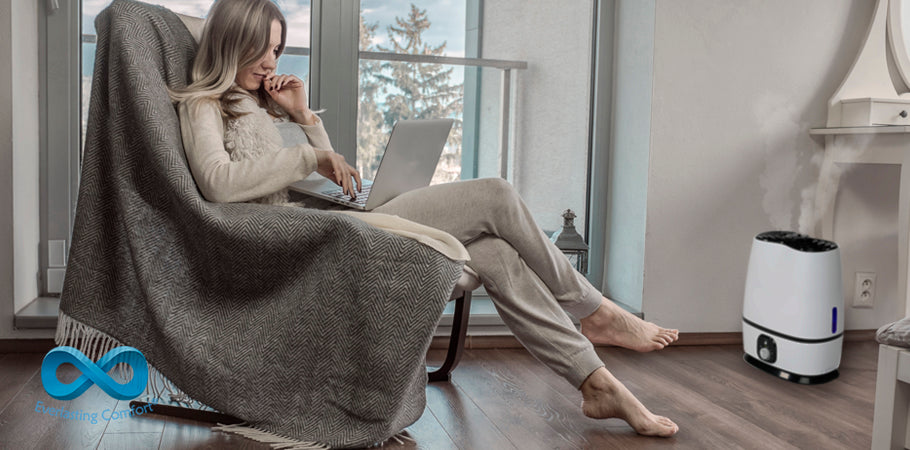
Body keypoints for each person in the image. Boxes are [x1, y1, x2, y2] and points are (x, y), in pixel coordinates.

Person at [171, 0, 680, 438]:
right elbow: (218, 184)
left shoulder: (258, 105)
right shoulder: (203, 104)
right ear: (231, 40)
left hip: (332, 224)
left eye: (277, 50)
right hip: (314, 246)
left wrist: (305, 120)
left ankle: (596, 383)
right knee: (497, 194)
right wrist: (308, 158)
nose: (270, 62)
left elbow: (326, 176)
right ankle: (594, 312)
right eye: (261, 48)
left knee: (496, 252)